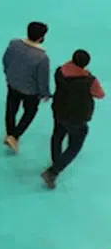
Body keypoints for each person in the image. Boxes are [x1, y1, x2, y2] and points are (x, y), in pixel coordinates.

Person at [42, 49, 104, 188]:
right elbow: (100, 94)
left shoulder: (59, 72)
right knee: (75, 145)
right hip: (77, 117)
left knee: (57, 135)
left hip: (59, 110)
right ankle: (53, 171)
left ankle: (56, 161)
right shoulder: (89, 81)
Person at [1, 21, 51, 153]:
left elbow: (5, 60)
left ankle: (9, 133)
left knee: (11, 109)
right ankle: (14, 136)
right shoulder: (42, 58)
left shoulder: (14, 44)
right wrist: (45, 93)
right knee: (30, 112)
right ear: (41, 37)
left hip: (13, 84)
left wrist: (8, 74)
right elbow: (42, 79)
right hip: (30, 91)